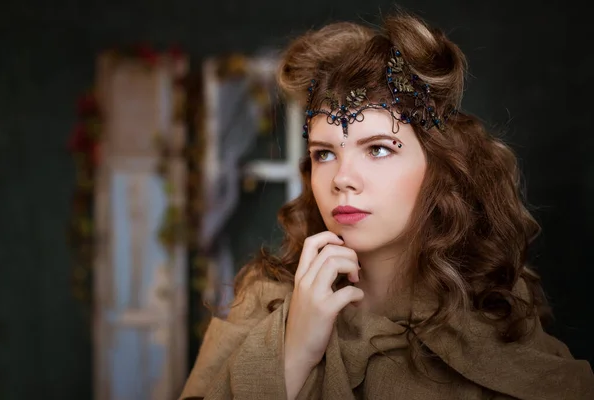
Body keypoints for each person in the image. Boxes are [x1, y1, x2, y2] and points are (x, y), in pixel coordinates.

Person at [179, 11, 594, 400]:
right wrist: (293, 352)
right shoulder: (262, 297)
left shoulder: (495, 311)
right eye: (325, 153)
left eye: (378, 149)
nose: (342, 178)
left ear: (440, 167)